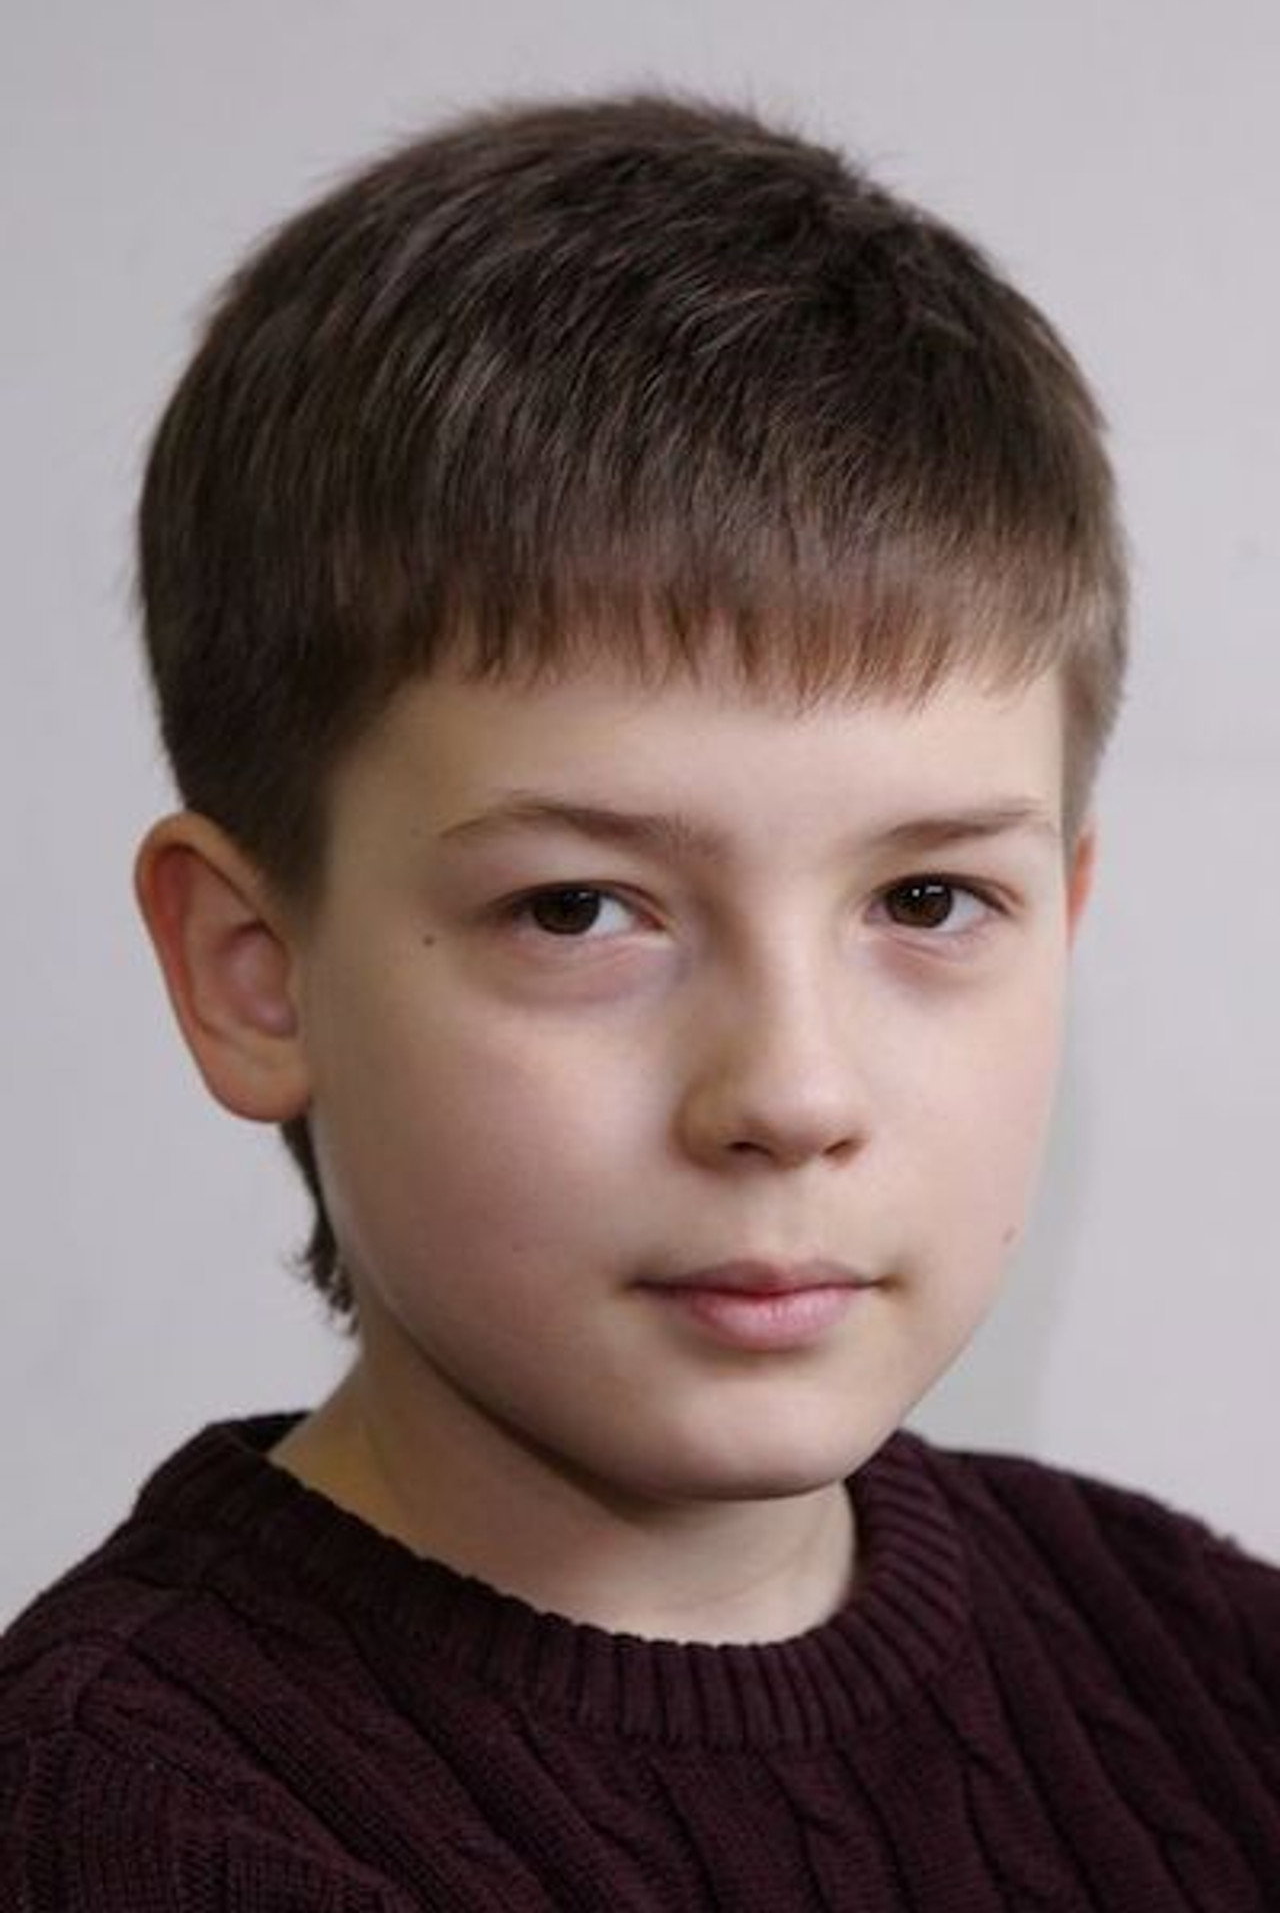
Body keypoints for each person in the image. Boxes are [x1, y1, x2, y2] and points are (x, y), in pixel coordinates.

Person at [1, 92, 1276, 1912]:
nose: (792, 1092)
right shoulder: (133, 1827)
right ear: (253, 972)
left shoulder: (1206, 1666)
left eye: (927, 900)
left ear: (1061, 925)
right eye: (579, 909)